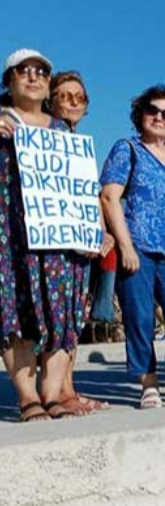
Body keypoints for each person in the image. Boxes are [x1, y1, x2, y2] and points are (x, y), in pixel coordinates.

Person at [0, 48, 96, 420]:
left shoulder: (62, 132)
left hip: (60, 240)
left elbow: (82, 188)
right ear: (10, 80)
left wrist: (92, 231)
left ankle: (53, 393)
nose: (33, 76)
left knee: (61, 314)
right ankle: (28, 398)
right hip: (12, 239)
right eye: (24, 70)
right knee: (18, 315)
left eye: (41, 71)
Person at [100, 85, 165, 408]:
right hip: (138, 246)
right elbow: (110, 197)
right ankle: (149, 385)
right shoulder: (126, 149)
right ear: (141, 114)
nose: (159, 118)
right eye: (153, 111)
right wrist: (125, 246)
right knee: (139, 317)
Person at [47, 70, 115, 414]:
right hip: (54, 246)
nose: (73, 102)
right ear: (51, 100)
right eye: (65, 95)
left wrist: (103, 231)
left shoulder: (80, 144)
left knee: (75, 316)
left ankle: (67, 389)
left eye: (79, 97)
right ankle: (58, 391)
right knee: (59, 317)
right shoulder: (44, 137)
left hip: (83, 246)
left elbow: (89, 196)